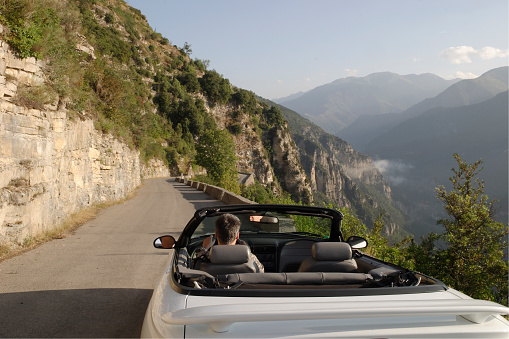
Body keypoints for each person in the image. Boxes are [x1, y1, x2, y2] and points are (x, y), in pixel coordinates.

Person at [197, 213, 264, 273]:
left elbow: (193, 269)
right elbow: (260, 273)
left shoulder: (206, 258)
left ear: (216, 234)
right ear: (237, 235)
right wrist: (246, 251)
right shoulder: (250, 258)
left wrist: (204, 249)